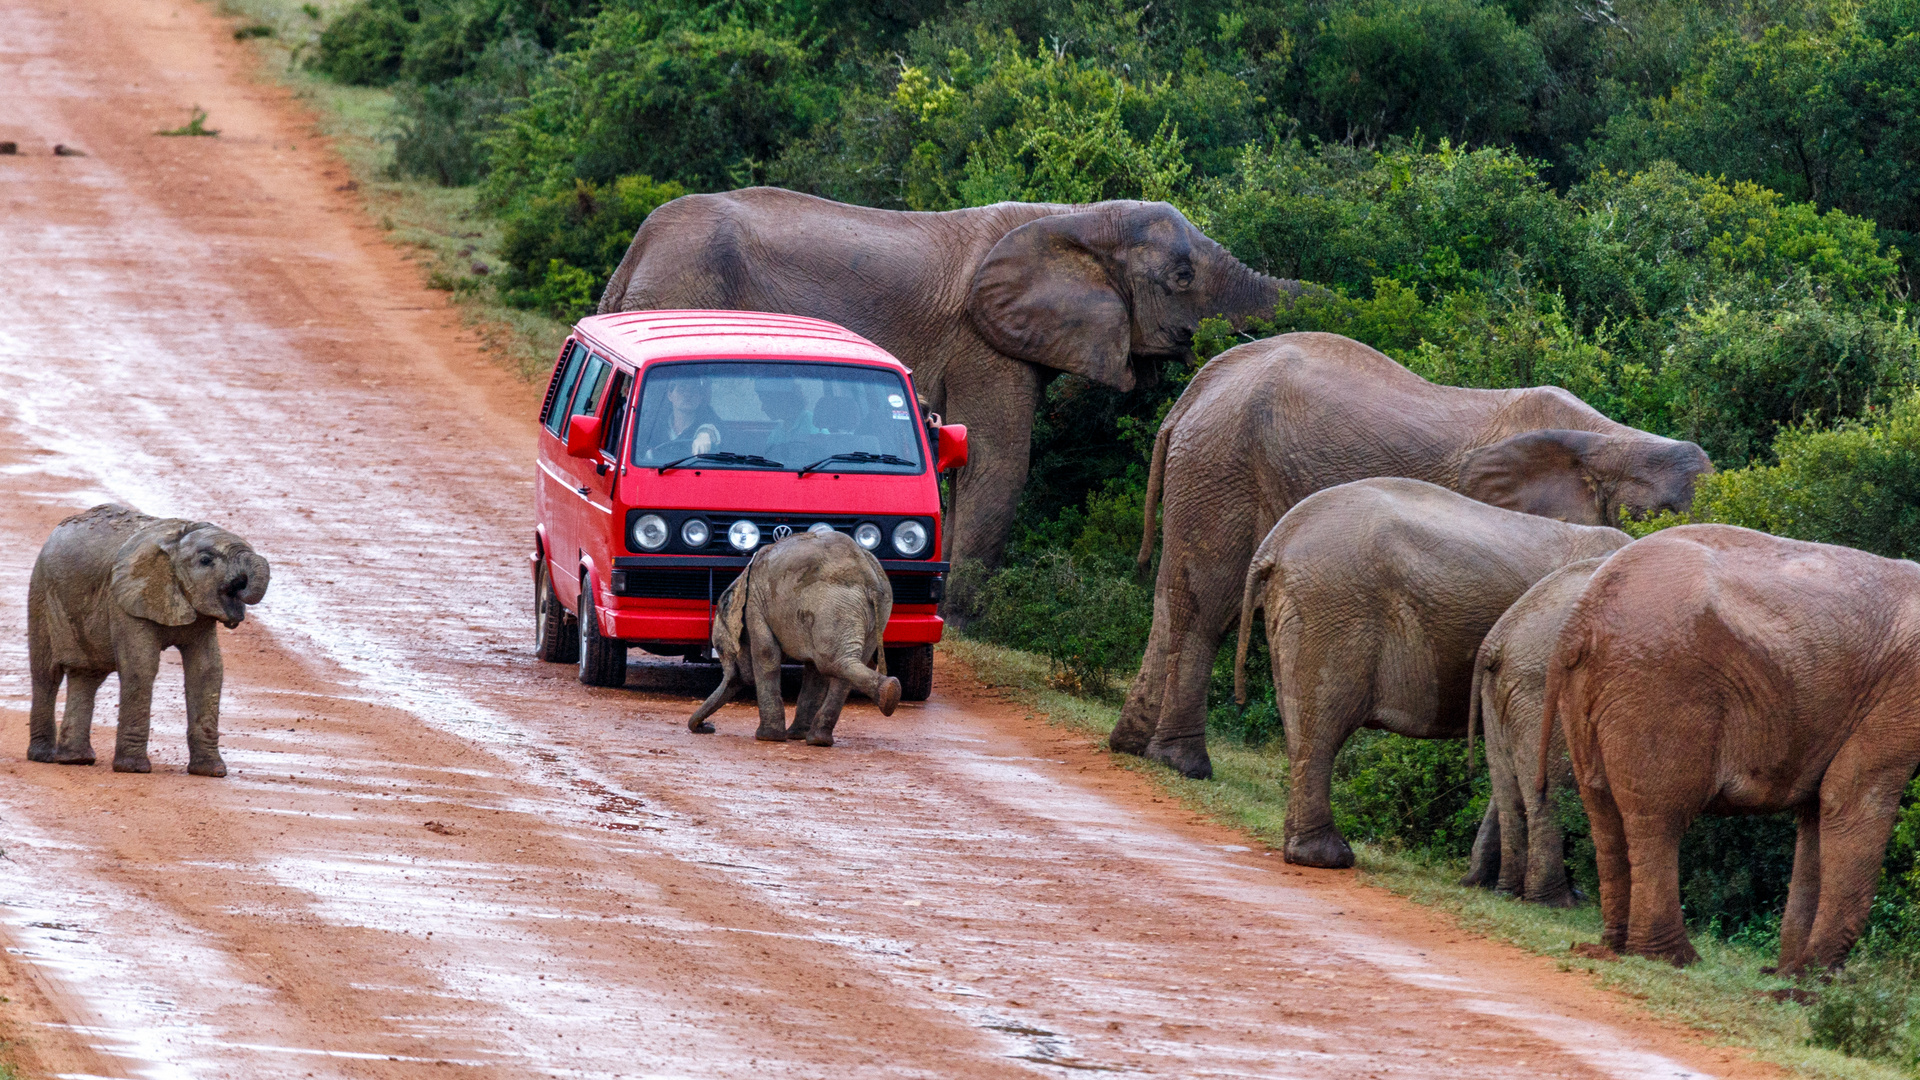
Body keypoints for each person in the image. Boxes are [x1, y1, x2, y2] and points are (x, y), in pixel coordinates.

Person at [645, 377, 722, 458]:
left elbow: (714, 429)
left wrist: (704, 435)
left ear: (700, 397)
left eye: (693, 390)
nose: (688, 394)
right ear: (670, 395)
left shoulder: (710, 421)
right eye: (682, 389)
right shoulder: (654, 425)